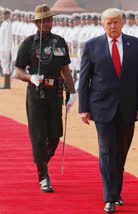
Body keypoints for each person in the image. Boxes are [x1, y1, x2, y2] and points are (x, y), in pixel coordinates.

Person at [78, 8, 138, 213]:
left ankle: (116, 192)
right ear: (102, 24)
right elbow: (84, 79)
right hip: (101, 108)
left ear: (123, 23)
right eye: (108, 23)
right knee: (107, 150)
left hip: (128, 107)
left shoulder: (135, 45)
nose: (113, 26)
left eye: (116, 22)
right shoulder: (92, 46)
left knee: (121, 153)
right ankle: (109, 197)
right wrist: (84, 108)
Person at [15, 4, 76, 192]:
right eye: (43, 21)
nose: (46, 23)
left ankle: (41, 160)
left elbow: (65, 70)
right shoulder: (28, 43)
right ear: (37, 23)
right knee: (39, 135)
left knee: (55, 134)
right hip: (36, 94)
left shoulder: (60, 42)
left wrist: (72, 92)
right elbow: (18, 71)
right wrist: (30, 77)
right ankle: (43, 175)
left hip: (55, 93)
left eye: (49, 20)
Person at [0, 9, 13, 89]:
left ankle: (7, 84)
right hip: (2, 47)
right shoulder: (4, 23)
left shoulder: (8, 24)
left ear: (8, 15)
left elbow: (8, 38)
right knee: (3, 64)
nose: (3, 16)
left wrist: (7, 49)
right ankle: (6, 83)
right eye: (3, 14)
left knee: (5, 64)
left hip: (5, 48)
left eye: (5, 14)